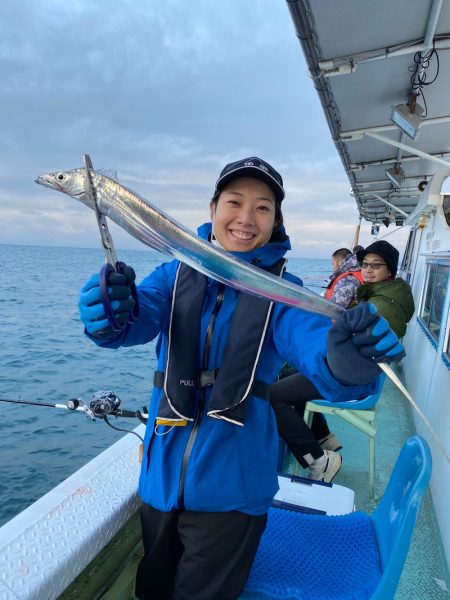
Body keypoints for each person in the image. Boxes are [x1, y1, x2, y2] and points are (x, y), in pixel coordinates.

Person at [77, 157, 405, 600]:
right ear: (213, 208)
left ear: (276, 221)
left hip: (232, 496)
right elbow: (136, 317)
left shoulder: (282, 293)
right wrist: (110, 314)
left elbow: (310, 339)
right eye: (235, 202)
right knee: (151, 590)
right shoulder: (173, 274)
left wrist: (343, 362)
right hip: (158, 483)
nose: (246, 218)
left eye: (263, 208)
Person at [270, 246, 364, 482]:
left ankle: (319, 460)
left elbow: (333, 315)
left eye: (375, 266)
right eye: (368, 265)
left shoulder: (357, 286)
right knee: (289, 373)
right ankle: (323, 437)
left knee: (271, 396)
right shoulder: (370, 292)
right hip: (343, 362)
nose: (369, 271)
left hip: (345, 369)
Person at [355, 240, 415, 338]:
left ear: (390, 271)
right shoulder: (381, 296)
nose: (368, 270)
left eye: (376, 265)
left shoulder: (380, 306)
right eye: (364, 264)